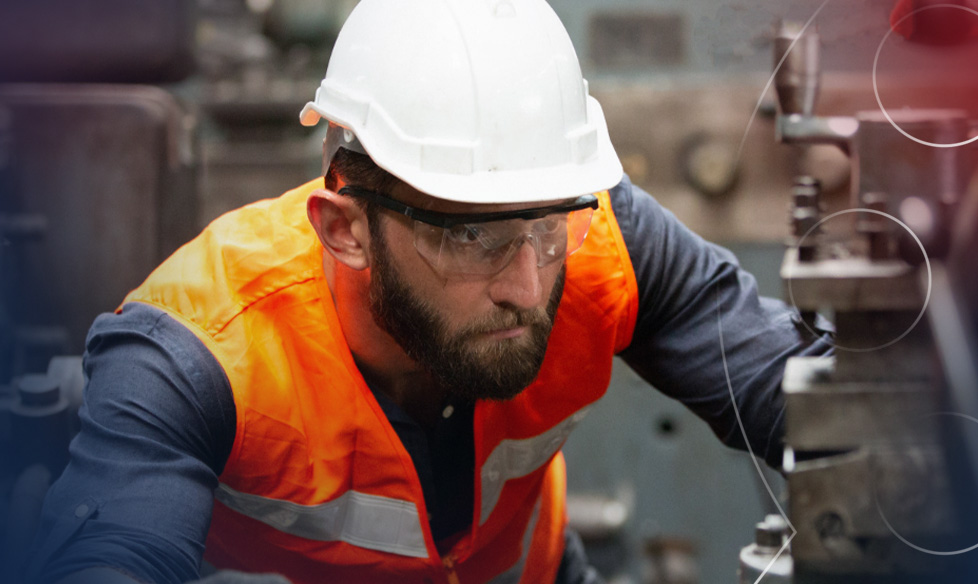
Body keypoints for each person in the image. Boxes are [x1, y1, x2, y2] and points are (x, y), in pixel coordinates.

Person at [25, 1, 830, 583]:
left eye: (548, 232)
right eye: (469, 237)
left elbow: (806, 397)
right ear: (344, 229)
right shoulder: (195, 352)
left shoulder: (602, 240)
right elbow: (114, 557)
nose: (526, 286)